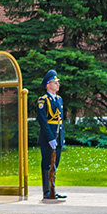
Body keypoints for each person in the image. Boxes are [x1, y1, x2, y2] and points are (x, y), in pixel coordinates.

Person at [36, 69, 65, 201]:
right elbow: (43, 121)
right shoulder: (43, 100)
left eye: (57, 82)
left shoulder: (59, 99)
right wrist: (50, 138)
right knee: (47, 163)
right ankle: (47, 191)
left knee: (55, 164)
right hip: (48, 138)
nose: (57, 85)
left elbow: (60, 121)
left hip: (58, 136)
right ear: (48, 85)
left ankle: (53, 189)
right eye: (55, 82)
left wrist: (61, 137)